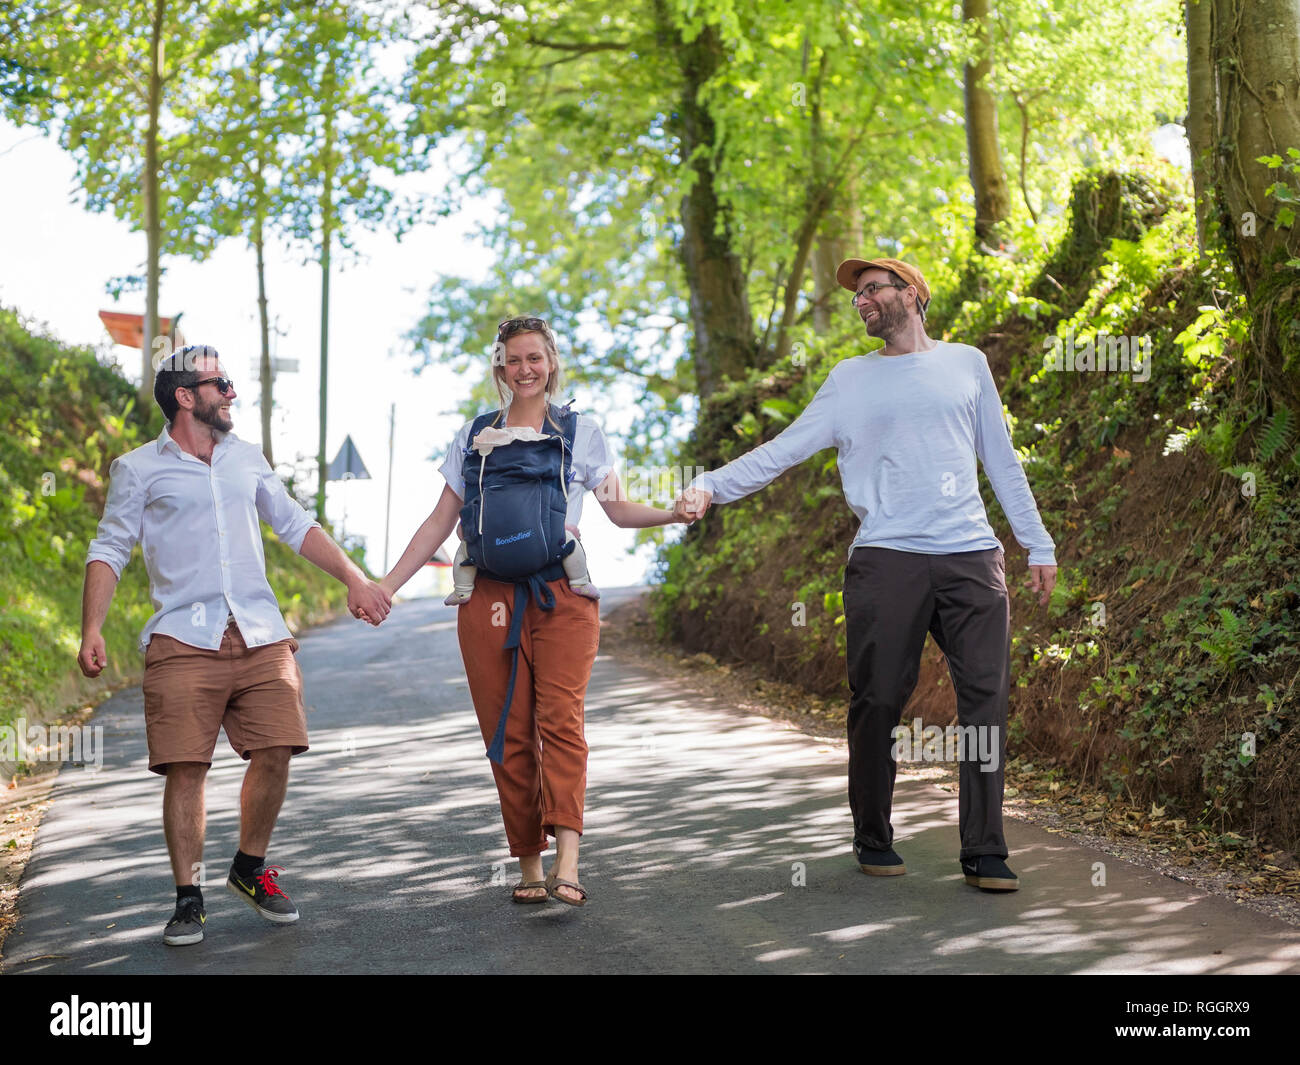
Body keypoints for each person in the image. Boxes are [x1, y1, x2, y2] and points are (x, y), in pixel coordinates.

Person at [678, 258, 1058, 892]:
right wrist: (711, 485)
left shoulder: (966, 363)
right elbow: (785, 448)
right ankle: (873, 835)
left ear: (911, 293)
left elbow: (1001, 458)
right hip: (887, 558)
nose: (862, 300)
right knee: (878, 700)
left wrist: (1036, 541)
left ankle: (985, 850)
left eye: (873, 288)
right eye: (857, 295)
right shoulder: (850, 380)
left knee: (985, 704)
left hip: (970, 556)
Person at [78, 345, 392, 946]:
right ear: (185, 396)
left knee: (278, 748)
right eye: (219, 382)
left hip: (259, 632)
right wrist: (92, 628)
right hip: (181, 637)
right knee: (187, 768)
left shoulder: (247, 458)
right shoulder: (139, 468)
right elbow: (110, 548)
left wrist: (355, 579)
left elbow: (296, 523)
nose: (231, 392)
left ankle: (249, 868)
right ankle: (187, 897)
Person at [381, 316, 691, 905]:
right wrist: (388, 586)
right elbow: (439, 523)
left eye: (535, 358)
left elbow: (618, 510)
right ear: (500, 367)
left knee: (561, 722)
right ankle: (529, 864)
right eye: (513, 360)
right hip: (487, 600)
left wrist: (674, 515)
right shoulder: (473, 435)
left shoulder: (581, 432)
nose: (525, 369)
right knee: (507, 733)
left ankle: (568, 862)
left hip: (562, 596)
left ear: (551, 362)